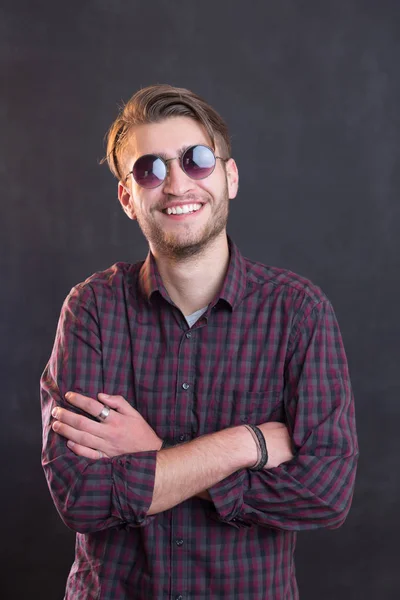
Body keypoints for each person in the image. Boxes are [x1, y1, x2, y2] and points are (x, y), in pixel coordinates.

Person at [40, 84, 358, 600]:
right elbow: (82, 497)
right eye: (151, 169)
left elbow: (324, 496)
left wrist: (152, 453)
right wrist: (244, 444)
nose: (177, 184)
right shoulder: (92, 309)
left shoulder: (299, 311)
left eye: (198, 160)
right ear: (128, 196)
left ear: (229, 177)